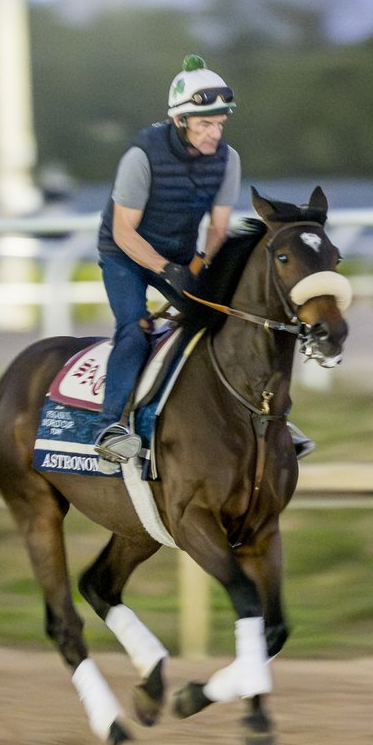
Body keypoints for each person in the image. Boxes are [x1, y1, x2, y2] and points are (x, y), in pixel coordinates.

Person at [92, 54, 241, 463]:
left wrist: (197, 269)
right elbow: (124, 232)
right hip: (125, 254)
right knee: (135, 328)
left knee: (220, 319)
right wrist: (165, 270)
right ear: (180, 121)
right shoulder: (140, 157)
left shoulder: (228, 160)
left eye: (219, 124)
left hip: (176, 255)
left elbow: (219, 229)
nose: (215, 134)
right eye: (205, 124)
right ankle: (110, 426)